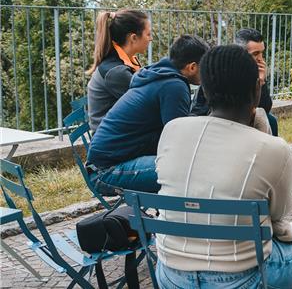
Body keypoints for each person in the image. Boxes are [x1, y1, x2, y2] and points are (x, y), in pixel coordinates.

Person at [154, 45, 292, 289]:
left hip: (171, 274)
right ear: (256, 88)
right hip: (240, 279)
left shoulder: (171, 130)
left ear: (204, 89)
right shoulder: (273, 148)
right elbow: (279, 215)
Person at [86, 35, 209, 195]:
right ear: (192, 67)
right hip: (106, 172)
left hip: (107, 164)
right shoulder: (173, 85)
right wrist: (203, 104)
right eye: (204, 68)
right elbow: (178, 140)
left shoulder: (159, 76)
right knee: (191, 172)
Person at [191, 28, 279, 136]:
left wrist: (260, 82)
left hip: (244, 121)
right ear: (240, 53)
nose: (261, 59)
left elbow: (265, 108)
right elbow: (197, 111)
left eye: (262, 53)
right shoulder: (219, 72)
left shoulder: (256, 72)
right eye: (255, 54)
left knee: (271, 120)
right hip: (218, 124)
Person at [85, 9, 151, 132]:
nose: (150, 39)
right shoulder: (116, 72)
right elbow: (145, 105)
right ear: (133, 38)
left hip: (117, 134)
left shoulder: (125, 62)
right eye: (148, 34)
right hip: (112, 142)